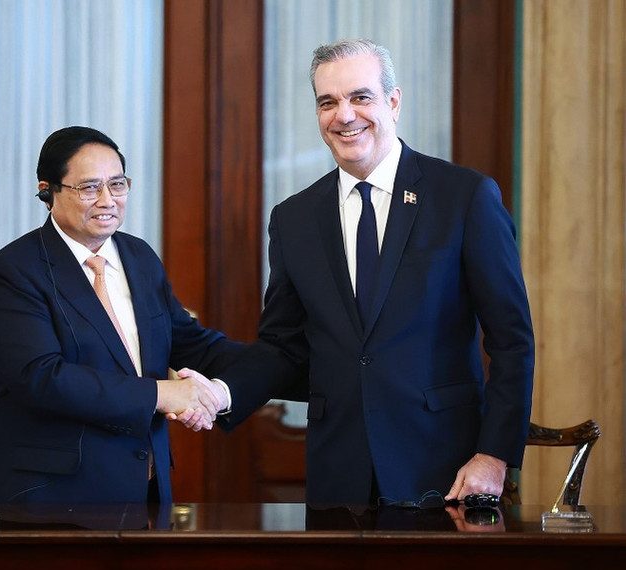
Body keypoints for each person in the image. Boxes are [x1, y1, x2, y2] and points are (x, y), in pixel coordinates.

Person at [192, 38, 534, 506]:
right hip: (339, 472)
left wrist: (493, 455)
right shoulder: (294, 218)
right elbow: (285, 348)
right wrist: (222, 392)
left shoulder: (465, 198)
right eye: (327, 102)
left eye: (360, 97)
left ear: (393, 102)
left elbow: (512, 340)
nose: (344, 115)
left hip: (446, 469)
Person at [0, 126, 240, 506]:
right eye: (89, 188)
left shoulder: (139, 257)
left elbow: (189, 343)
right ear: (47, 190)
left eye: (117, 185)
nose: (107, 200)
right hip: (50, 498)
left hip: (143, 486)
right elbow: (43, 378)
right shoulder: (12, 272)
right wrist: (164, 394)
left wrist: (254, 375)